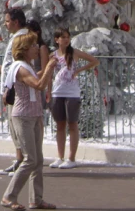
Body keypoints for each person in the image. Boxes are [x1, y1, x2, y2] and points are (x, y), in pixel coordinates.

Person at [1, 32, 58, 211]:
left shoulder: (27, 66)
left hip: (34, 116)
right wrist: (49, 66)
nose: (36, 48)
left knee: (38, 160)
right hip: (23, 116)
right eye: (33, 45)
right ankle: (8, 197)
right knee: (30, 159)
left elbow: (36, 78)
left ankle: (36, 199)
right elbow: (39, 85)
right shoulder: (20, 67)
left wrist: (47, 69)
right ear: (24, 49)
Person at [49, 27, 99, 169]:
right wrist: (48, 91)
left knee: (72, 124)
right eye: (62, 37)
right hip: (57, 92)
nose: (65, 39)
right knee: (60, 125)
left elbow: (94, 61)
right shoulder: (53, 55)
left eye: (67, 37)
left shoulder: (74, 53)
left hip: (72, 93)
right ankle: (60, 157)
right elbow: (49, 73)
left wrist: (78, 70)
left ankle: (71, 158)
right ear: (57, 40)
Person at [0, 8, 30, 176]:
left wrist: (7, 88)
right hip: (11, 86)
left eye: (8, 21)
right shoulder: (16, 37)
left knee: (18, 126)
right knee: (13, 126)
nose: (6, 24)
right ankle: (19, 160)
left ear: (16, 22)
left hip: (15, 88)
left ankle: (24, 162)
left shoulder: (21, 38)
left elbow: (16, 63)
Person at [28, 20, 51, 108]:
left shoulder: (42, 48)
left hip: (37, 81)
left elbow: (45, 69)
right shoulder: (29, 48)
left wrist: (32, 76)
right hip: (30, 82)